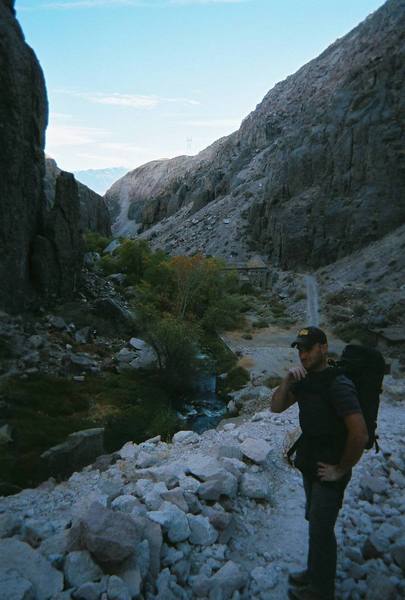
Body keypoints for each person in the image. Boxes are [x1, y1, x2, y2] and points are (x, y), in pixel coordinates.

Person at [271, 326, 369, 600]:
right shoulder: (304, 381)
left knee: (321, 526)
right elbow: (276, 407)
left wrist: (341, 469)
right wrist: (288, 380)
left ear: (323, 348)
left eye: (308, 349)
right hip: (310, 463)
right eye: (299, 350)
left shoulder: (338, 384)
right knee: (314, 522)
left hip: (330, 469)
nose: (302, 355)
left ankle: (321, 589)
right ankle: (315, 573)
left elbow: (359, 433)